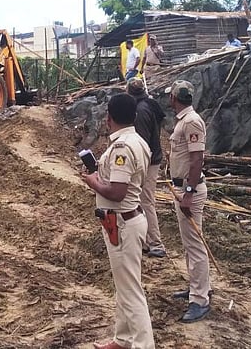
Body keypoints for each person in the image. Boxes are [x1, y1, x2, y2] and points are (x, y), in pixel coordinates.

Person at [81, 94, 155, 349]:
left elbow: (117, 192)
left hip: (123, 223)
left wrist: (93, 182)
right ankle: (123, 339)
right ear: (134, 116)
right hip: (125, 220)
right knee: (124, 285)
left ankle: (143, 345)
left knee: (131, 291)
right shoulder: (138, 141)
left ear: (108, 117)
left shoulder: (122, 147)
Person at [165, 80, 211, 323]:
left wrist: (189, 193)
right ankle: (197, 286)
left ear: (174, 98)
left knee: (194, 245)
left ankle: (200, 299)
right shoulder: (184, 120)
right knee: (190, 244)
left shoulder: (191, 121)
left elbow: (197, 159)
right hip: (182, 187)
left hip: (188, 189)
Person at [126, 78, 167, 259]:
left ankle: (156, 243)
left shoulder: (140, 111)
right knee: (140, 200)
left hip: (147, 161)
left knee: (145, 201)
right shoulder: (149, 104)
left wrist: (136, 164)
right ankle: (144, 240)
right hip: (152, 158)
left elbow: (142, 142)